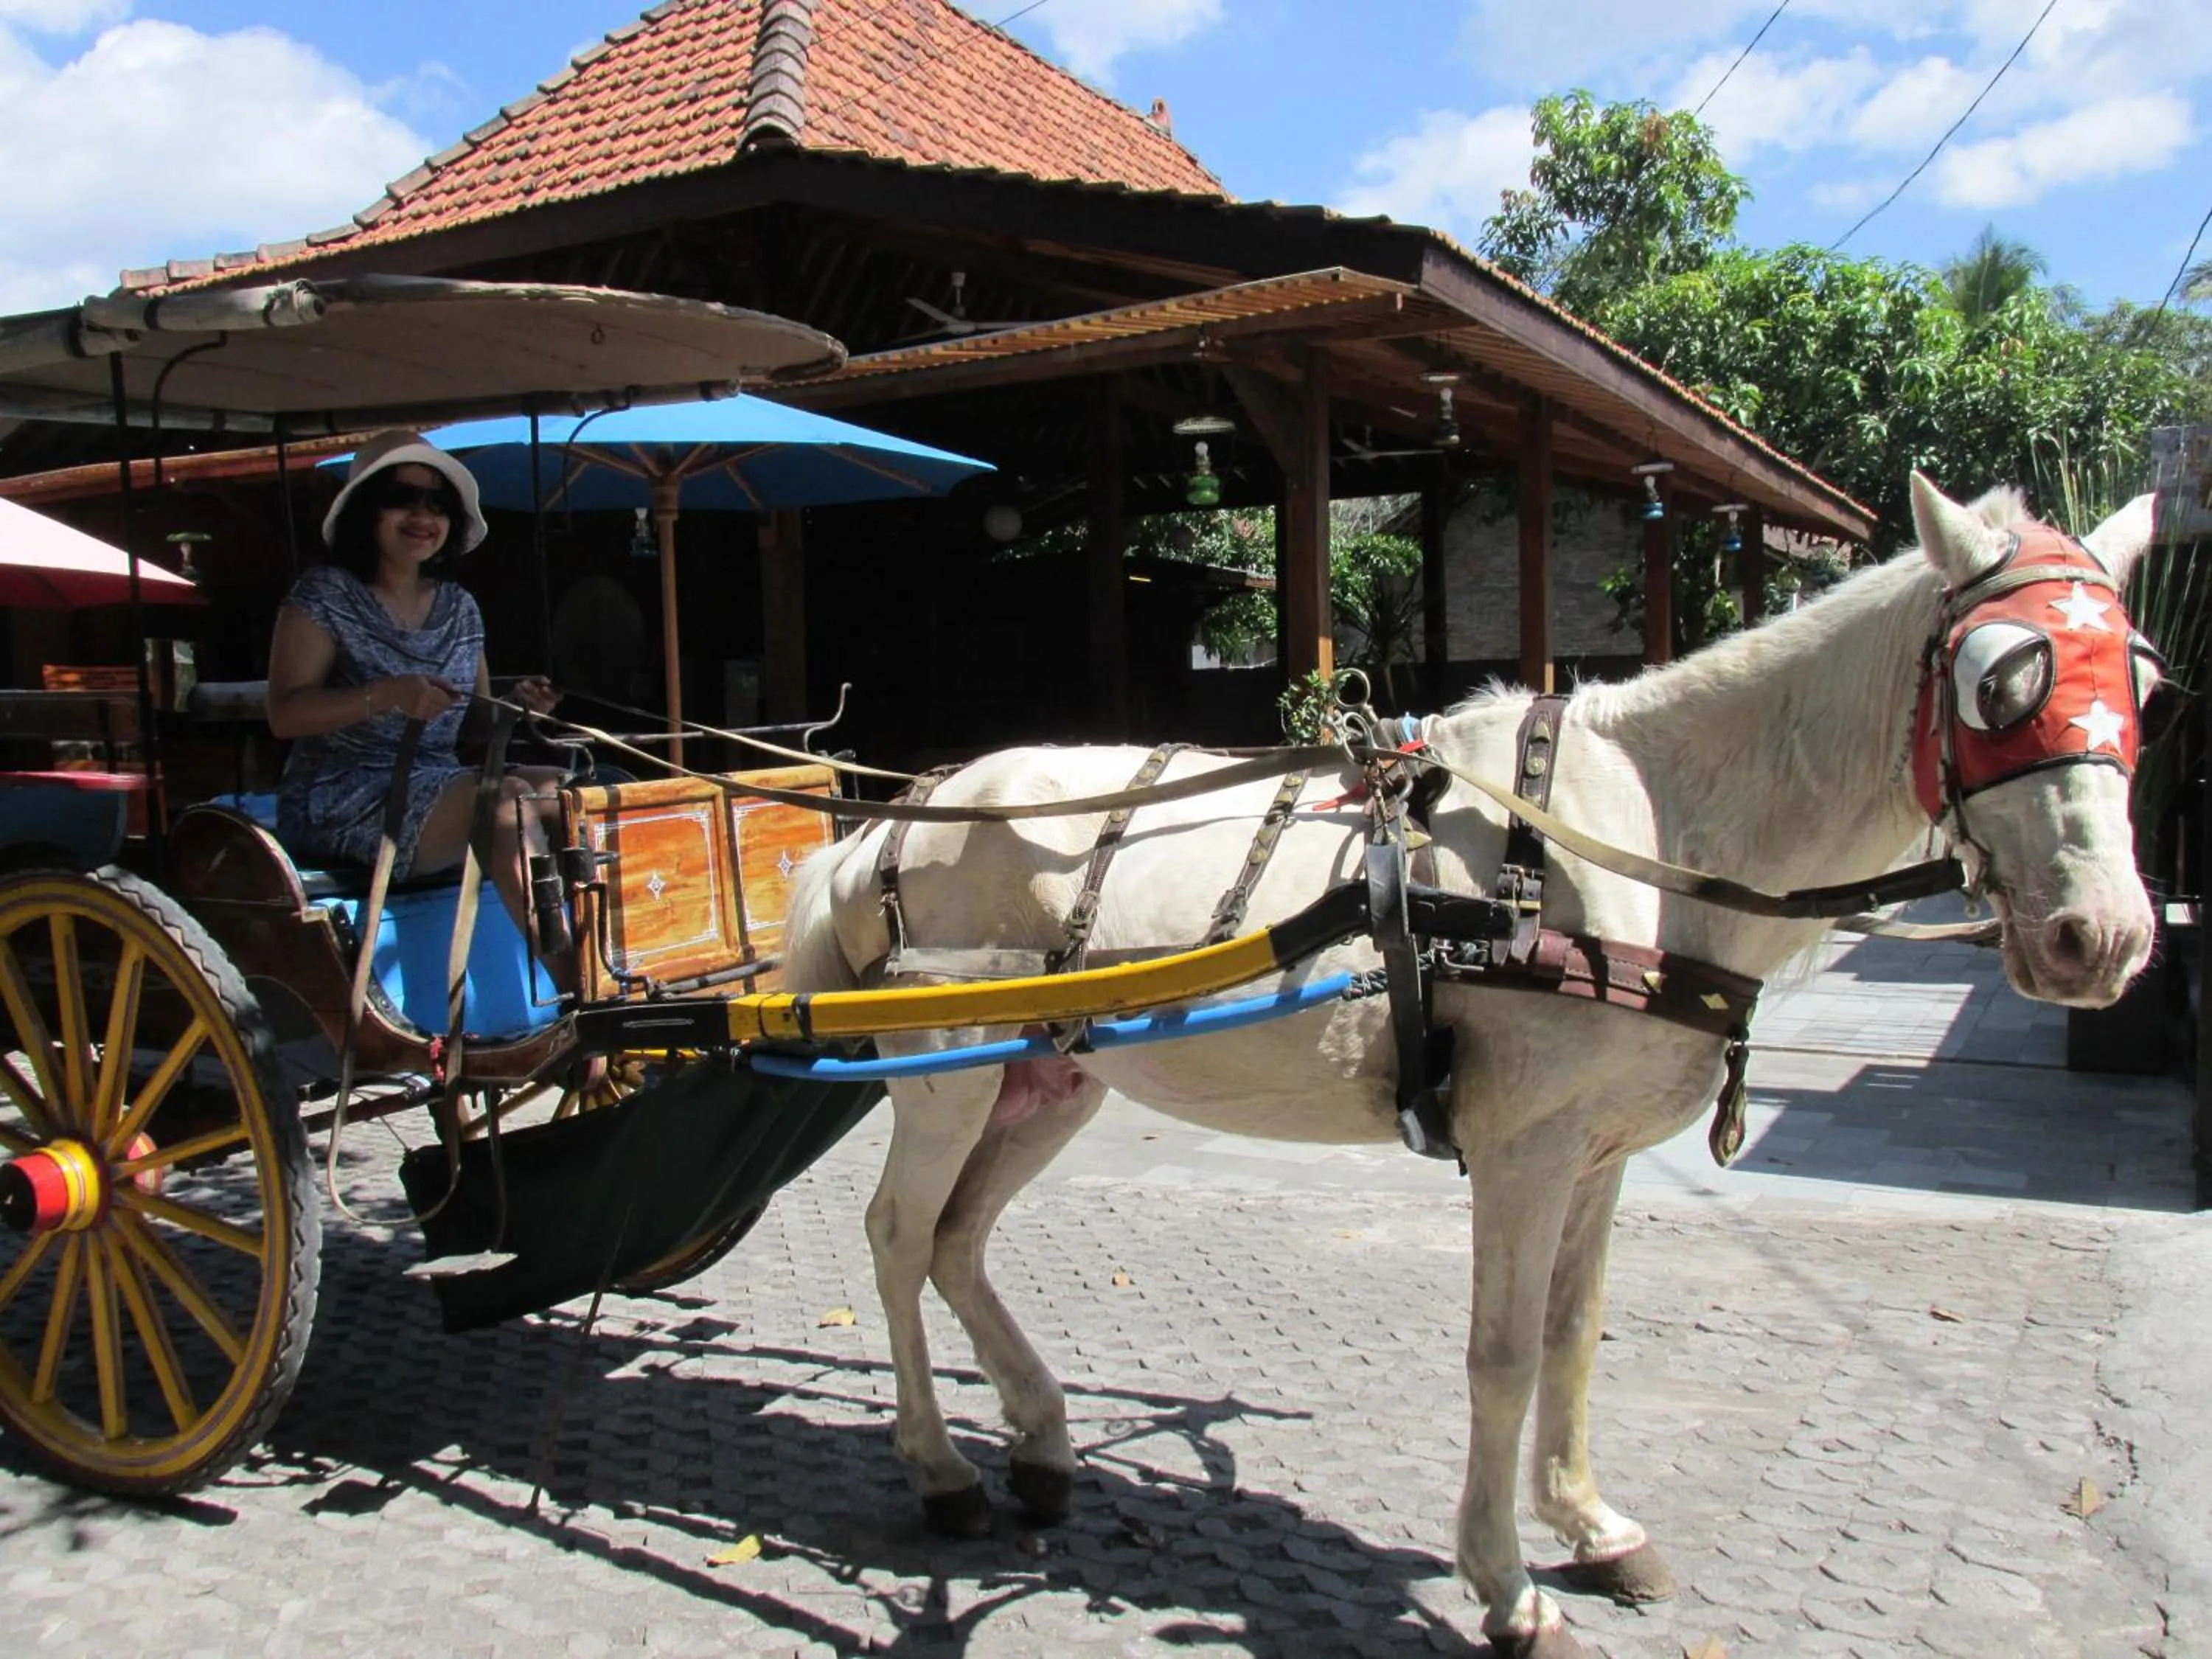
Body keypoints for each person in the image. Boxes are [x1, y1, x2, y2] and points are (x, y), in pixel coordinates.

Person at [268, 430, 574, 989]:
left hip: (436, 782)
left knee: (569, 789)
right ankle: (577, 986)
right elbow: (285, 714)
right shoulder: (325, 596)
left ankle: (630, 960)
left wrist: (517, 706)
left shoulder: (460, 607)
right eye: (402, 499)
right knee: (504, 802)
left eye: (437, 505)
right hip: (342, 797)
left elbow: (475, 724)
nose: (422, 516)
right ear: (367, 511)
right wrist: (385, 694)